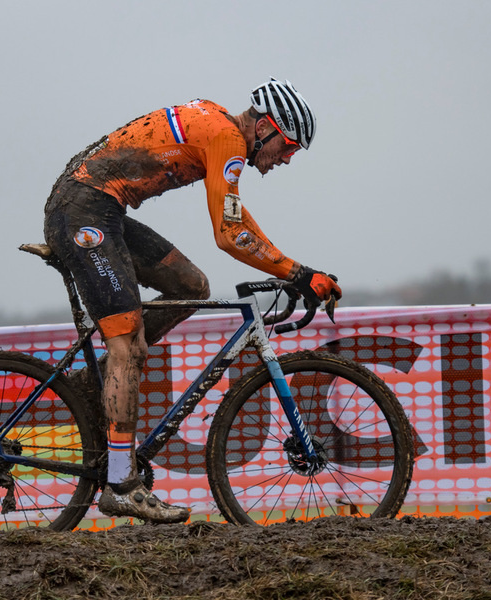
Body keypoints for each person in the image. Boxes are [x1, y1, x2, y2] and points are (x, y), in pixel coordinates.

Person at [43, 78, 342, 524]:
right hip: (84, 213)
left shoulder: (220, 126)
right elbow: (230, 235)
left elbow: (235, 217)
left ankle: (102, 379)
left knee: (191, 287)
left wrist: (291, 269)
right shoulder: (225, 136)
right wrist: (298, 273)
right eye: (288, 146)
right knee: (128, 347)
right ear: (265, 127)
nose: (287, 159)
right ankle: (122, 484)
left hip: (99, 208)